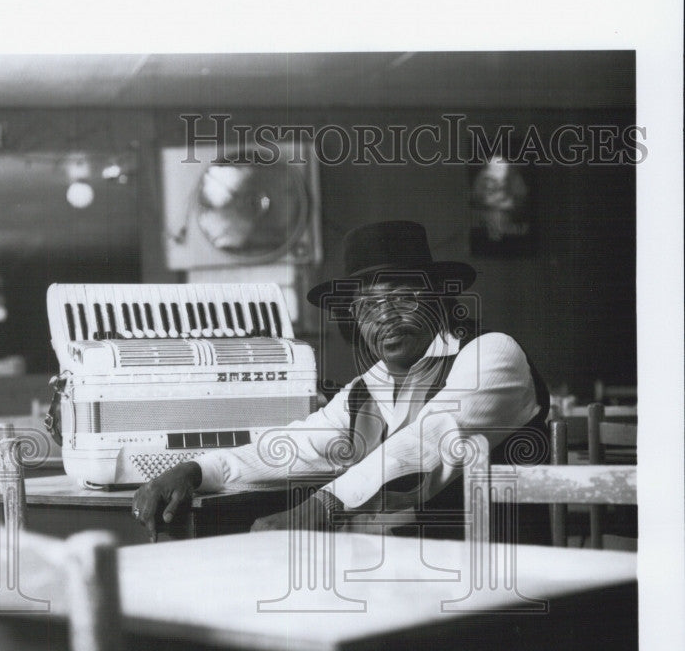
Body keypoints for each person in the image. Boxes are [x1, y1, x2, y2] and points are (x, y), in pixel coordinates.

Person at [132, 220, 551, 540]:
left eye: (403, 296)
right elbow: (292, 447)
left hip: (506, 580)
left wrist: (318, 509)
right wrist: (193, 469)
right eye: (366, 306)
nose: (384, 315)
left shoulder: (492, 353)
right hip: (405, 584)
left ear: (438, 299)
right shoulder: (363, 392)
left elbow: (430, 441)